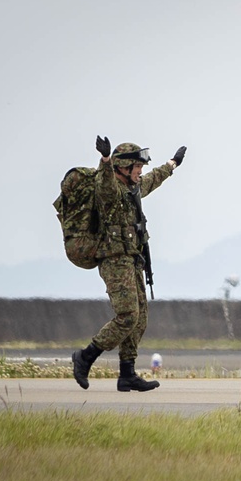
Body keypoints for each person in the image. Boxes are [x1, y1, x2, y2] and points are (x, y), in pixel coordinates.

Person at [71, 136, 186, 392]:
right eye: (137, 167)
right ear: (123, 168)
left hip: (132, 260)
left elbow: (153, 178)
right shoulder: (110, 191)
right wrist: (105, 159)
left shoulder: (134, 188)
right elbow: (104, 182)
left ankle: (127, 375)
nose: (141, 171)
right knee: (127, 316)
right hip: (114, 261)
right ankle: (85, 357)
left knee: (140, 318)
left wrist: (173, 163)